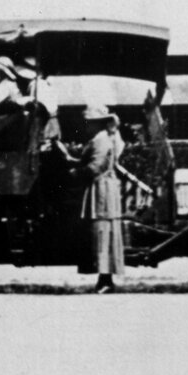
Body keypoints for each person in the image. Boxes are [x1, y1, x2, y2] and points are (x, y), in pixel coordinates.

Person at [64, 105, 125, 293]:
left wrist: (74, 173)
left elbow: (95, 167)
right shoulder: (102, 139)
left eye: (89, 123)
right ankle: (104, 278)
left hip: (102, 190)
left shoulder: (101, 141)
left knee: (102, 231)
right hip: (102, 188)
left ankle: (106, 280)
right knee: (101, 232)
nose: (86, 126)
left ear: (97, 124)